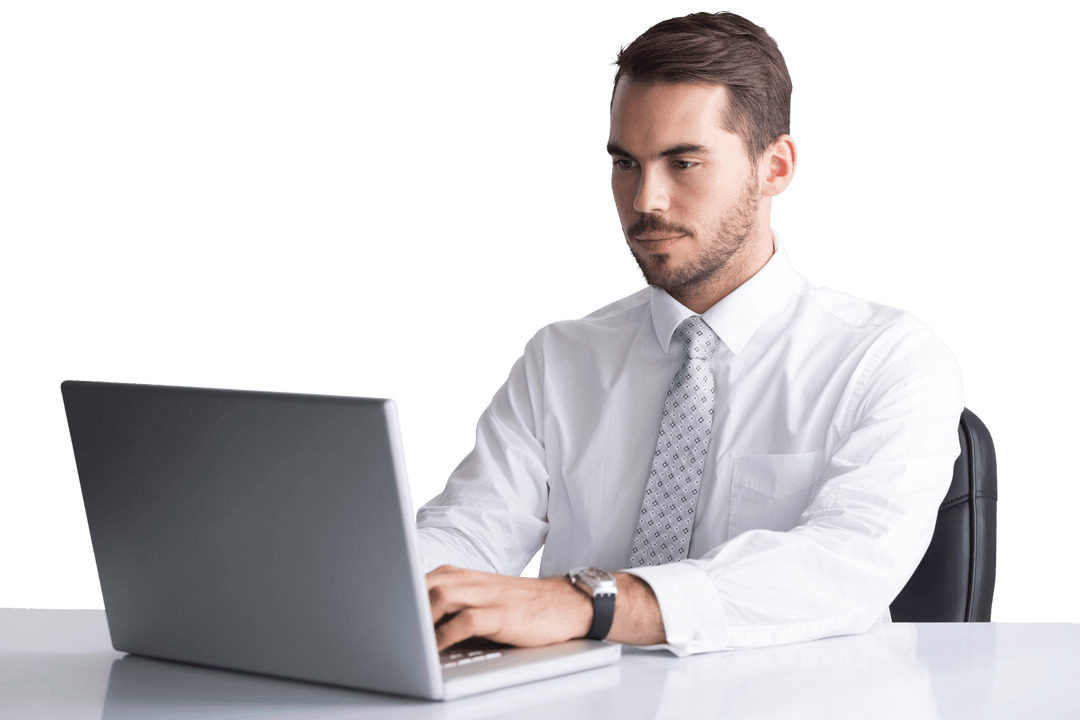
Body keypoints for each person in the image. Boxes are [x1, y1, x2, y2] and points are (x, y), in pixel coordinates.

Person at [416, 10, 964, 656]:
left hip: (791, 699)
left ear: (775, 167)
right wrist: (379, 584)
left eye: (683, 162)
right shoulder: (560, 358)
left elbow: (844, 565)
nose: (645, 200)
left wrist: (591, 602)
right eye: (626, 163)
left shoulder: (889, 359)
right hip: (575, 699)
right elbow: (467, 534)